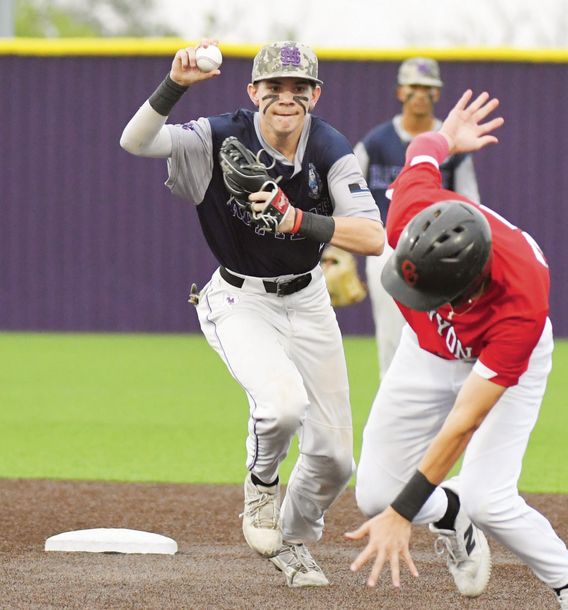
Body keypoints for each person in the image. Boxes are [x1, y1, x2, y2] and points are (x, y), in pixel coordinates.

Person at [119, 40, 383, 587]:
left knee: (336, 460)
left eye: (298, 88)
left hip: (308, 298)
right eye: (274, 87)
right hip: (240, 297)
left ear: (315, 95)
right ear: (253, 92)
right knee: (282, 407)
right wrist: (177, 86)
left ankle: (293, 539)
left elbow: (374, 237)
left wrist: (297, 220)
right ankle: (261, 488)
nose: (285, 97)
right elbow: (135, 141)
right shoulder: (217, 134)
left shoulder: (329, 148)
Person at [345, 90, 568, 610]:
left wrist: (405, 515)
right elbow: (421, 149)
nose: (417, 299)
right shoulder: (412, 208)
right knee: (375, 495)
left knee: (490, 499)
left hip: (500, 359)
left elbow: (462, 424)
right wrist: (448, 137)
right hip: (425, 354)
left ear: (469, 283)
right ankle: (449, 515)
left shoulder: (521, 303)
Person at [353, 57, 481, 377]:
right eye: (414, 87)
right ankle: (393, 406)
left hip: (441, 251)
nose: (420, 94)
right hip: (387, 248)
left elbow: (470, 204)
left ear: (438, 94)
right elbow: (348, 193)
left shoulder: (452, 145)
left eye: (428, 88)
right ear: (400, 92)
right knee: (391, 337)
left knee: (446, 335)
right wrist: (337, 248)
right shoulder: (376, 142)